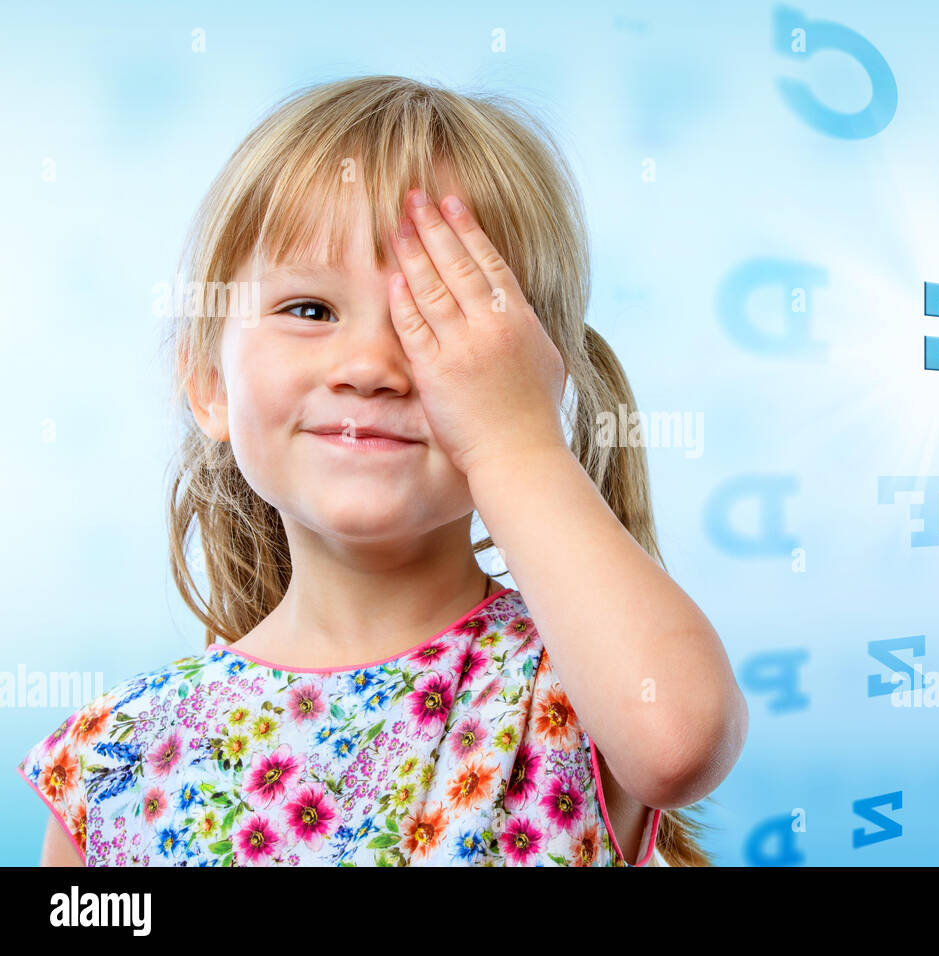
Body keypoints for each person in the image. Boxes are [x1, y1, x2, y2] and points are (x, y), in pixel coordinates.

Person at [16, 75, 747, 867]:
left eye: (433, 321)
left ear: (533, 382)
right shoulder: (112, 759)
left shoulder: (582, 687)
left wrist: (515, 443)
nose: (368, 366)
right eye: (309, 310)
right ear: (208, 383)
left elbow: (680, 745)